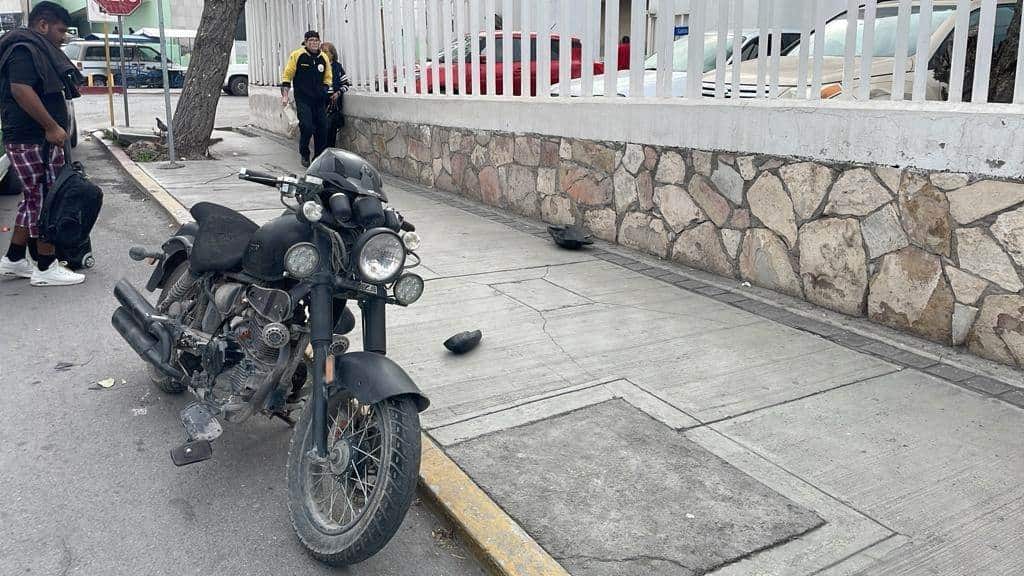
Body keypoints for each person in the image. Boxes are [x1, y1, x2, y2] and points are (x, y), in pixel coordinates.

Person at [0, 2, 84, 286]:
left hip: (33, 139)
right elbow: (20, 90)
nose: (63, 37)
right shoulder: (24, 49)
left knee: (33, 198)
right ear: (43, 25)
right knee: (47, 200)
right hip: (32, 138)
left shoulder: (34, 47)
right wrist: (51, 126)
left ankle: (13, 259)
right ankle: (46, 267)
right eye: (60, 30)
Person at [281, 30, 332, 168]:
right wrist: (285, 95)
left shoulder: (324, 57)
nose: (314, 43)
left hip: (319, 100)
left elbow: (328, 77)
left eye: (316, 40)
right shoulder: (297, 55)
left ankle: (318, 158)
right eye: (311, 40)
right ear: (306, 42)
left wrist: (325, 89)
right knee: (307, 127)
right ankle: (304, 153)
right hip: (303, 99)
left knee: (322, 128)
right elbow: (287, 76)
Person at [321, 42, 349, 148]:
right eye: (321, 52)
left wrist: (338, 93)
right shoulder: (319, 66)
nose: (323, 54)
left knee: (330, 129)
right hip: (321, 100)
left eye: (326, 52)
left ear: (332, 54)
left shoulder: (337, 67)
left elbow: (346, 84)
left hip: (332, 102)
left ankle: (329, 151)